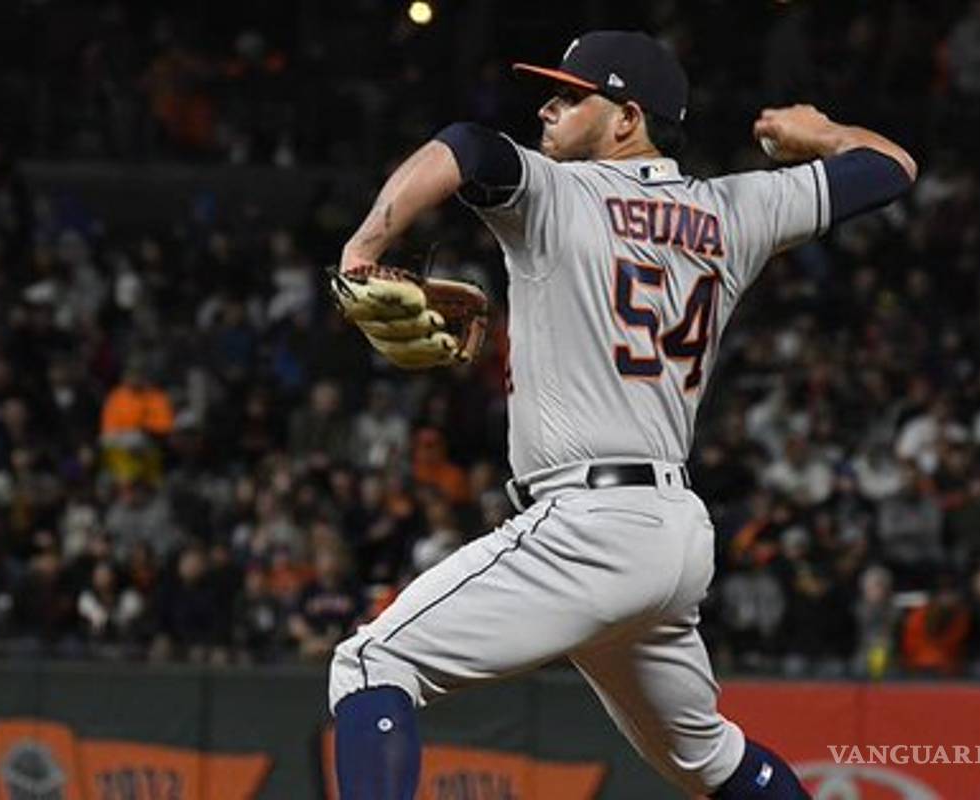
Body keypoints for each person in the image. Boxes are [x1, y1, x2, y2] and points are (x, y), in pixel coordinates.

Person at [328, 30, 916, 798]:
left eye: (572, 96)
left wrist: (362, 248)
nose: (548, 106)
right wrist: (825, 135)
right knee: (708, 759)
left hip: (587, 524)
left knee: (372, 663)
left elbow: (467, 146)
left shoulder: (555, 193)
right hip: (672, 534)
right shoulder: (734, 209)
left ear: (626, 119)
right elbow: (891, 168)